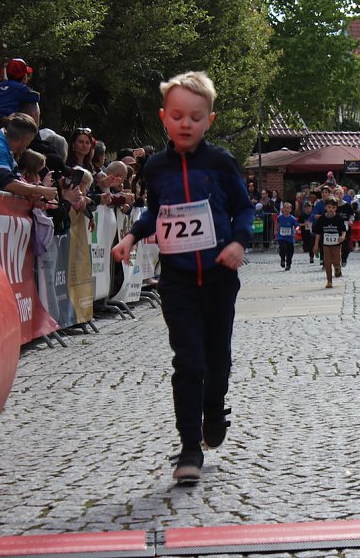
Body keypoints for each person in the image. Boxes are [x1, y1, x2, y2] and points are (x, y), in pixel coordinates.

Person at [111, 71, 253, 482]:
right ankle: (189, 447)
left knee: (218, 361)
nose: (185, 124)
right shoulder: (156, 168)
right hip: (176, 281)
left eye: (195, 116)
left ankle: (215, 406)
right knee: (188, 361)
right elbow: (155, 212)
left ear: (209, 119)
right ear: (164, 118)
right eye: (177, 116)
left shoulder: (221, 162)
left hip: (219, 276)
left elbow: (244, 208)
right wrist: (133, 236)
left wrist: (238, 242)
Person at [0, 113, 57, 201]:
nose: (27, 147)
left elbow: (16, 179)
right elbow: (8, 183)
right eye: (30, 141)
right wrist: (41, 190)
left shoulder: (3, 143)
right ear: (23, 140)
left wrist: (30, 192)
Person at [0, 58, 40, 124]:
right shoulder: (20, 88)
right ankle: (35, 131)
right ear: (24, 76)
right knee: (33, 103)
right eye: (27, 75)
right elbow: (36, 96)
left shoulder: (2, 85)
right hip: (8, 120)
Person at [313, 198, 346, 288]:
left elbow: (343, 230)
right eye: (329, 207)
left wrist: (342, 237)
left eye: (333, 207)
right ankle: (329, 281)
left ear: (336, 208)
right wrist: (316, 245)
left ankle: (337, 267)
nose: (331, 209)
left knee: (336, 261)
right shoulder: (322, 218)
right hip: (326, 244)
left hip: (336, 244)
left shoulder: (339, 218)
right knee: (327, 263)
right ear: (325, 207)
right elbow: (318, 233)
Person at [276, 202, 297, 270]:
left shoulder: (292, 218)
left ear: (290, 209)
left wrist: (297, 229)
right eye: (284, 207)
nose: (286, 209)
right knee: (282, 248)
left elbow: (296, 226)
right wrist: (275, 231)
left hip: (290, 238)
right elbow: (276, 224)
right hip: (281, 237)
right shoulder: (279, 217)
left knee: (290, 251)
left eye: (288, 208)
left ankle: (288, 264)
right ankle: (282, 259)